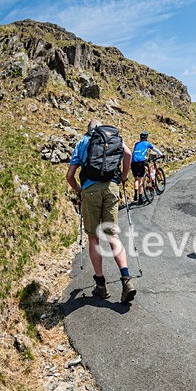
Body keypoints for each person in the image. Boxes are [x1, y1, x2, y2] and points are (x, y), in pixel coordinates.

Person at [66, 119, 136, 303]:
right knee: (113, 235)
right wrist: (123, 176)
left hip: (90, 190)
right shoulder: (113, 137)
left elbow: (69, 176)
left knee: (94, 237)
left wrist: (80, 191)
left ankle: (101, 285)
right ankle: (126, 279)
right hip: (111, 187)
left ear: (88, 130)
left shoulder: (82, 142)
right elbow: (128, 154)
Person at [131, 132, 164, 204]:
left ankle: (135, 196)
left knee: (136, 179)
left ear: (140, 138)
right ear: (146, 138)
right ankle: (140, 198)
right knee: (140, 180)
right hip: (140, 161)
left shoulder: (136, 144)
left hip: (133, 161)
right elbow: (155, 150)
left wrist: (145, 157)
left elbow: (138, 153)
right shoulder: (147, 143)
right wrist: (161, 154)